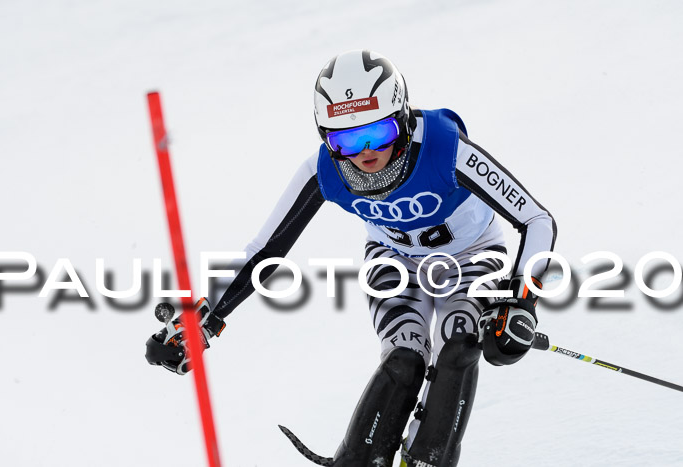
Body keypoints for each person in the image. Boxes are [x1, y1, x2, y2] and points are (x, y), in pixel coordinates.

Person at [146, 49, 557, 467]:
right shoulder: (323, 169)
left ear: (403, 116)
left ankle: (428, 459)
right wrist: (207, 318)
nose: (363, 153)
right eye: (343, 139)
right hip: (394, 259)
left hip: (471, 255)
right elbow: (266, 250)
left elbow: (537, 220)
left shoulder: (444, 147)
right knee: (405, 353)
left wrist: (521, 301)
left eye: (377, 133)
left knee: (460, 342)